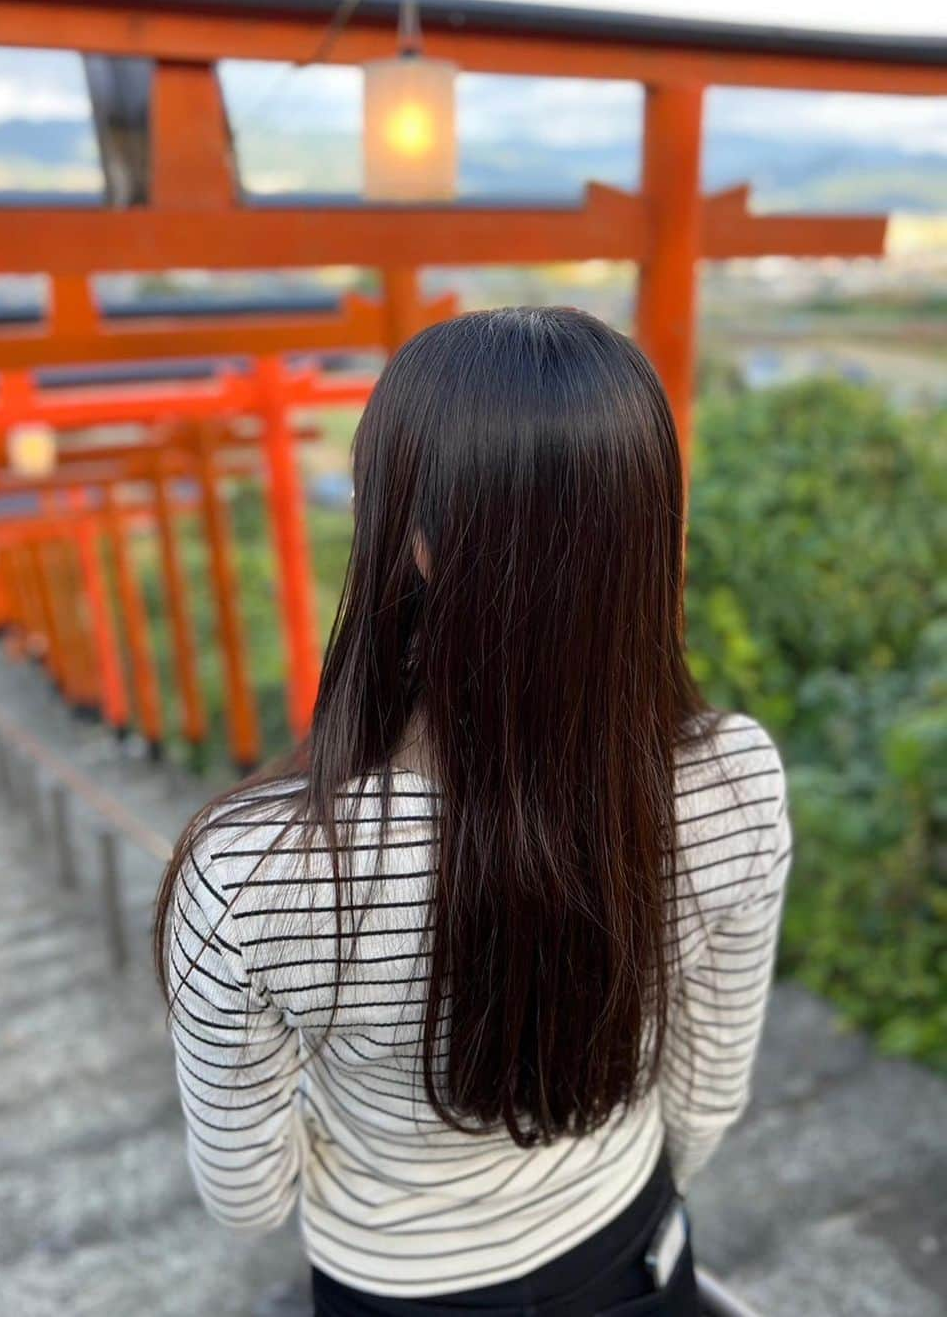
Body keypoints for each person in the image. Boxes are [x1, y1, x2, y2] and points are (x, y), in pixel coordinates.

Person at [154, 307, 793, 1316]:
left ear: (411, 544)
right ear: (650, 530)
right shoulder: (735, 782)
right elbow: (707, 1101)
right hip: (626, 1254)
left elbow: (246, 1198)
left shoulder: (255, 873)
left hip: (395, 1287)